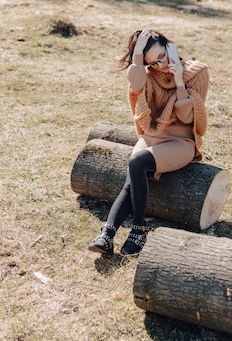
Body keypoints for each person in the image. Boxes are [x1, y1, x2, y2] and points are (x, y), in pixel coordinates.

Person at [88, 29, 210, 256]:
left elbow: (189, 119)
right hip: (153, 136)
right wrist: (136, 55)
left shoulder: (197, 72)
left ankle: (138, 230)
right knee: (133, 175)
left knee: (137, 162)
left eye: (163, 55)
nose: (160, 64)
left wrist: (179, 83)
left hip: (181, 141)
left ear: (170, 45)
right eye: (152, 62)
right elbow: (135, 87)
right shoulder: (148, 75)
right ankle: (107, 235)